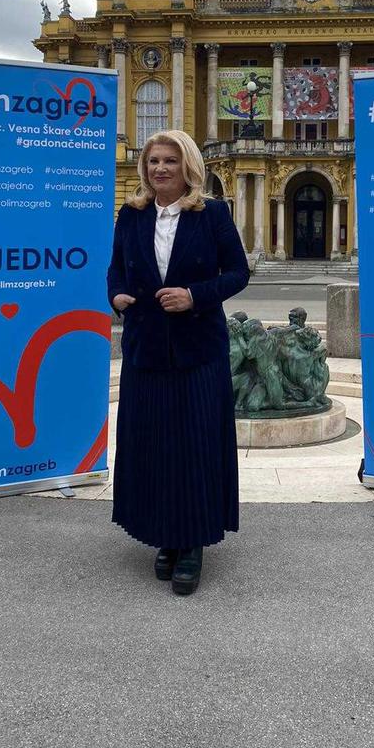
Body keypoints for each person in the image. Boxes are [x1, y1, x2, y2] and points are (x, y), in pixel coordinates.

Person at [107, 130, 249, 595]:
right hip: (146, 348)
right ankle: (163, 535)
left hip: (198, 349)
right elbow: (115, 269)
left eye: (169, 160)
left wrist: (194, 295)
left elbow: (238, 273)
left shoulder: (212, 214)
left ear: (187, 166)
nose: (160, 168)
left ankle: (191, 543)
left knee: (194, 446)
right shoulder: (131, 214)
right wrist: (116, 296)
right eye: (153, 161)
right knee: (152, 445)